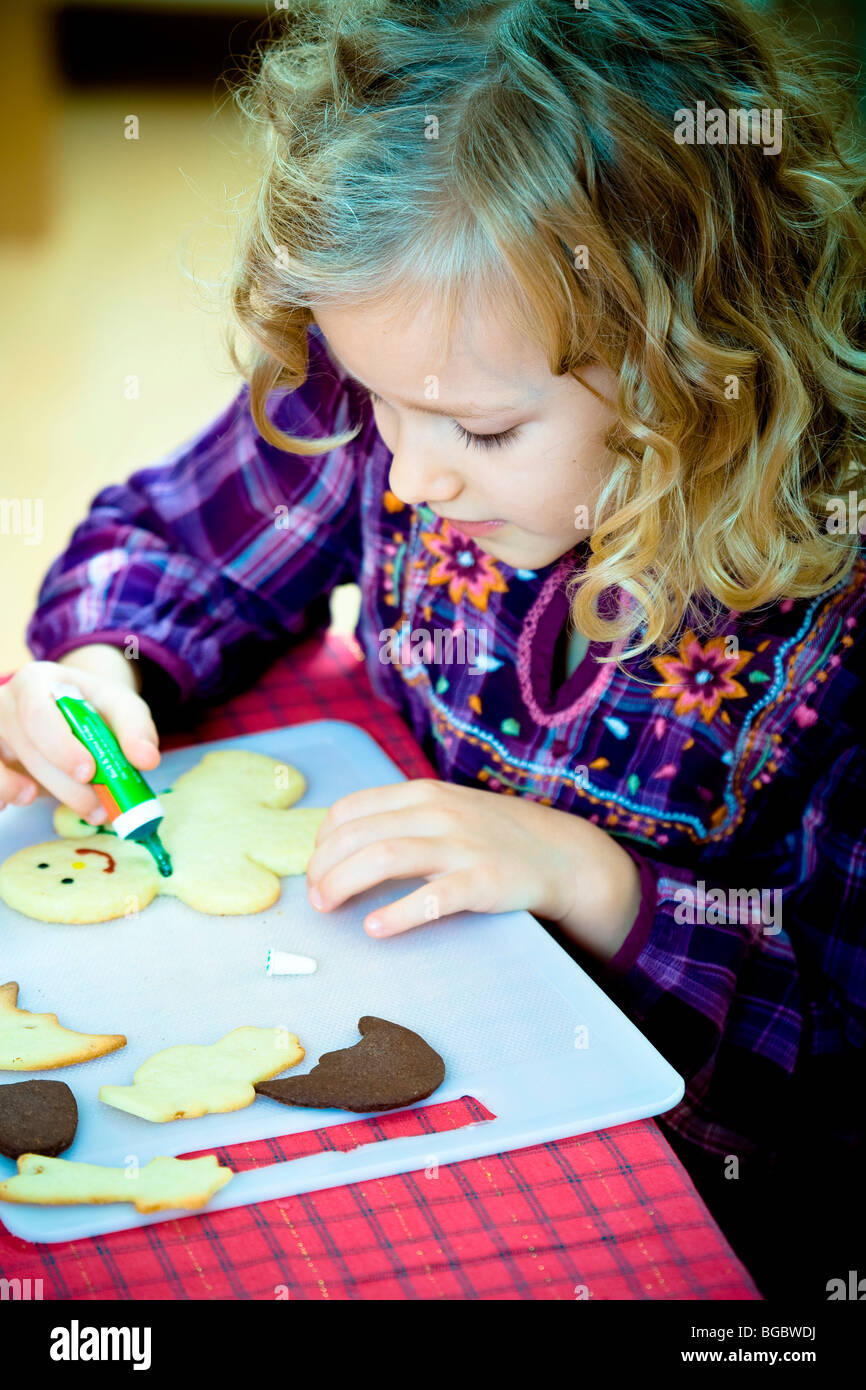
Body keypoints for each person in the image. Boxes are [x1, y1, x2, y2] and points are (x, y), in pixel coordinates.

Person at [2, 1, 864, 1298]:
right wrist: (110, 665)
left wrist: (594, 882)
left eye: (479, 430)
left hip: (711, 1168)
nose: (406, 472)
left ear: (693, 359)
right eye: (376, 404)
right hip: (431, 1030)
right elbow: (176, 543)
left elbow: (839, 1047)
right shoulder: (405, 396)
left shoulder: (831, 602)